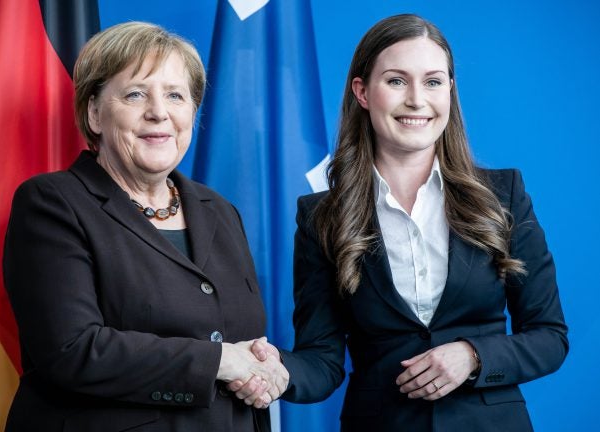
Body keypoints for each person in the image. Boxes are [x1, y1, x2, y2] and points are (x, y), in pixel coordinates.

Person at [233, 13, 568, 431]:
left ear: (450, 90)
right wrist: (279, 371)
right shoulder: (322, 217)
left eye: (433, 82)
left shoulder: (504, 196)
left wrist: (473, 356)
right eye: (396, 81)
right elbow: (322, 359)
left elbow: (550, 336)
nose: (416, 100)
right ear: (362, 92)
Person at [3, 22, 287, 432]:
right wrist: (222, 361)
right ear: (94, 113)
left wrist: (263, 365)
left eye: (175, 95)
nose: (159, 112)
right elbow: (72, 350)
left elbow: (236, 334)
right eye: (136, 94)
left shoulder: (221, 211)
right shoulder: (52, 203)